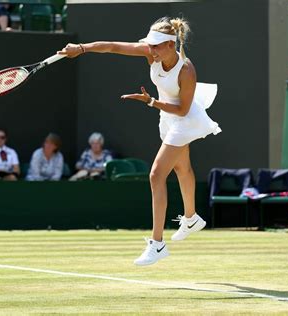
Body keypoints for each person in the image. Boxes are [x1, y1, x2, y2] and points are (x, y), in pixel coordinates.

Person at [59, 16, 221, 265]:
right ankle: (191, 218)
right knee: (181, 167)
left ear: (170, 45)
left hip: (184, 117)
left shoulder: (187, 70)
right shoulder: (151, 53)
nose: (151, 49)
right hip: (167, 116)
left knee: (156, 174)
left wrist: (151, 102)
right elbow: (113, 46)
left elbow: (183, 110)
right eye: (150, 45)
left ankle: (157, 245)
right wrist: (82, 49)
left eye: (156, 45)